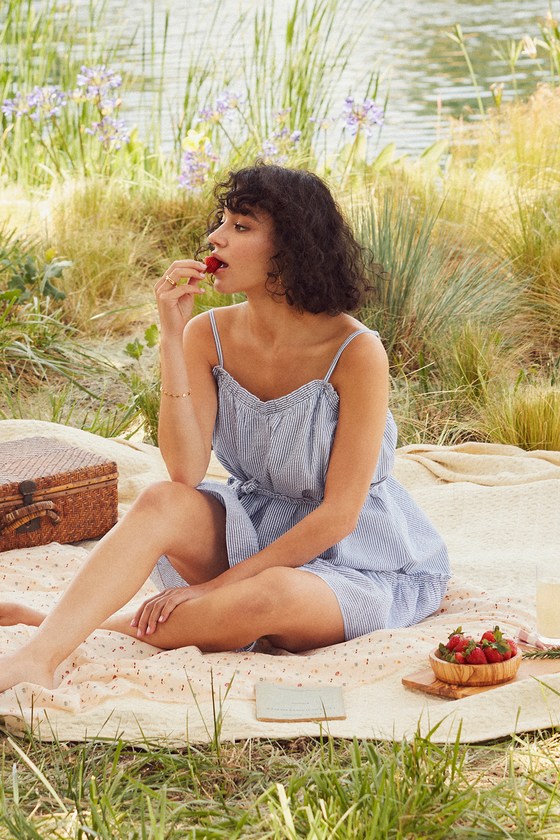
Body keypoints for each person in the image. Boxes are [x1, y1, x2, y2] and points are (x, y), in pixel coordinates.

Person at [0, 163, 450, 693]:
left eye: (241, 226)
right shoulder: (206, 333)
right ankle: (39, 654)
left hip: (359, 556)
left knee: (272, 596)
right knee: (161, 500)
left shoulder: (355, 352)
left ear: (292, 248)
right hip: (255, 522)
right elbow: (186, 471)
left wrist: (216, 587)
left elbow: (338, 516)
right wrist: (171, 335)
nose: (215, 237)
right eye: (222, 221)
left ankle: (78, 622)